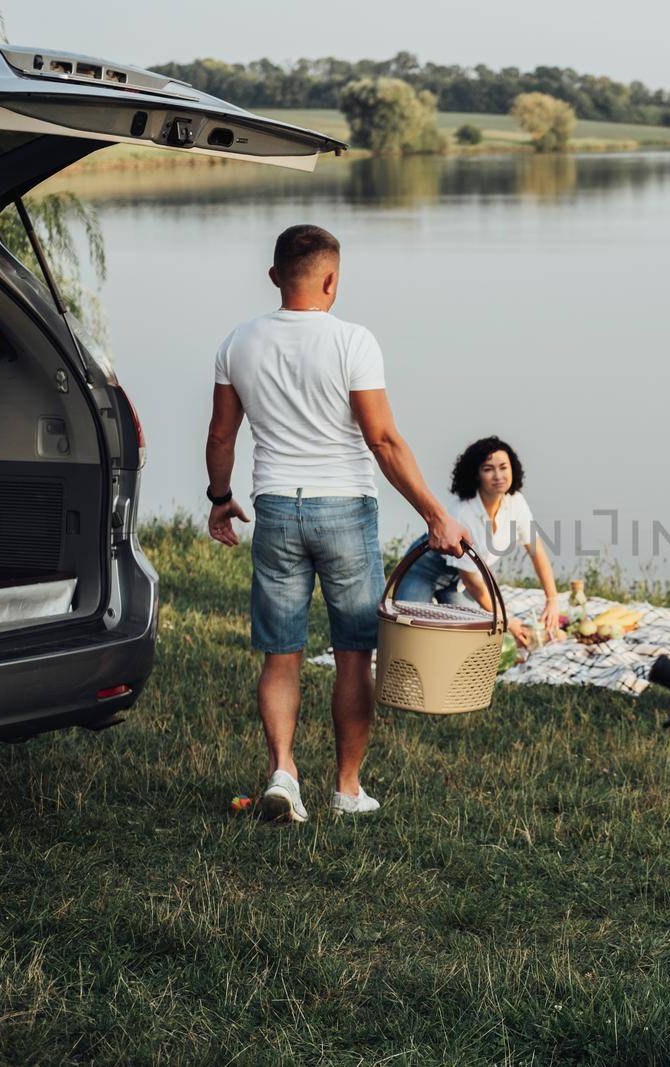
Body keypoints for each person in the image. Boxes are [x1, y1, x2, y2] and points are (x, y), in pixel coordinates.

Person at [205, 224, 471, 824]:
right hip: (345, 510)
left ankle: (283, 772)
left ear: (274, 276)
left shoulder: (237, 342)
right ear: (332, 280)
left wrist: (220, 497)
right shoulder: (354, 341)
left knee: (282, 654)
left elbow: (222, 434)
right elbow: (381, 439)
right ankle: (347, 790)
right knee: (354, 653)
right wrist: (436, 515)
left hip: (275, 507)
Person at [394, 436, 561, 647]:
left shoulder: (515, 502)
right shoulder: (463, 511)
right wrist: (507, 619)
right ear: (476, 474)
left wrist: (552, 599)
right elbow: (474, 583)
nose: (498, 475)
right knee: (410, 632)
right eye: (488, 469)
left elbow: (536, 550)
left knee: (470, 638)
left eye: (503, 467)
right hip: (426, 569)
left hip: (459, 579)